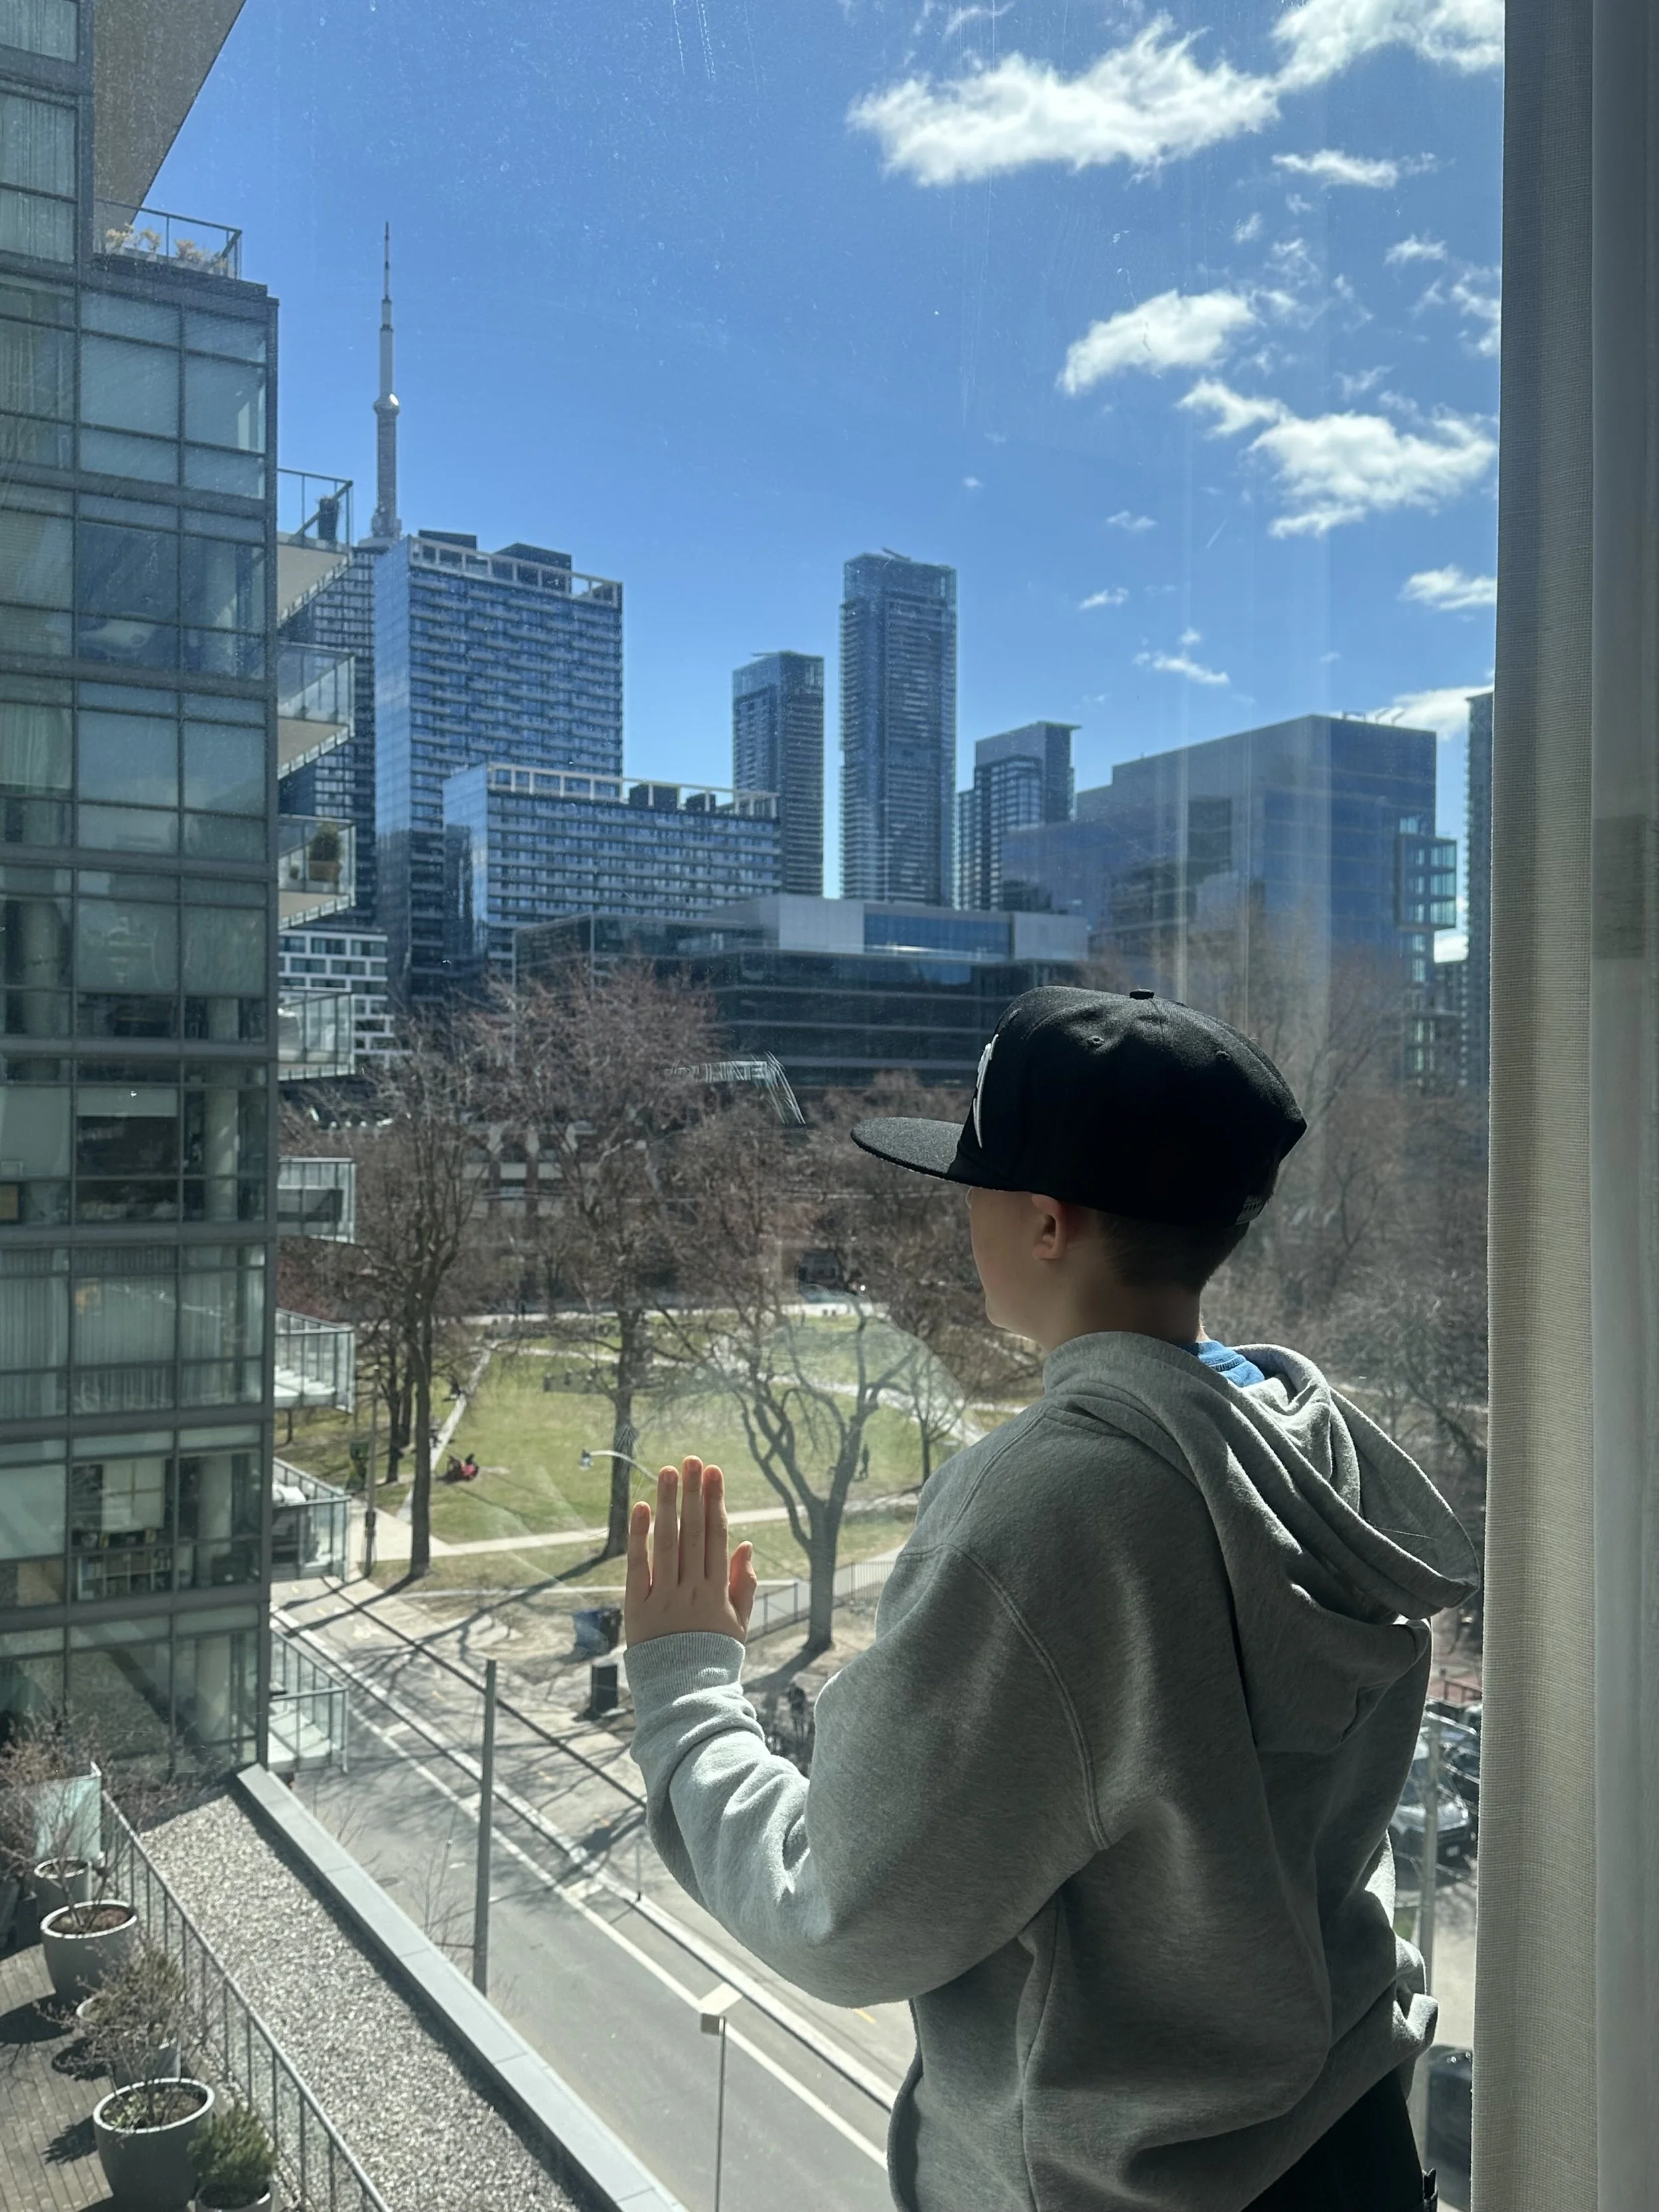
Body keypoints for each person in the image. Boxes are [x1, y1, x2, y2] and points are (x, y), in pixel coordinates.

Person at [623, 986, 1477, 2212]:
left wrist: (686, 1689)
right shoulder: (1308, 1449)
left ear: (1044, 1223)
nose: (959, 1219)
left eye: (975, 1189)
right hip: (1348, 2149)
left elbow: (841, 1912)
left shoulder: (1054, 1515)